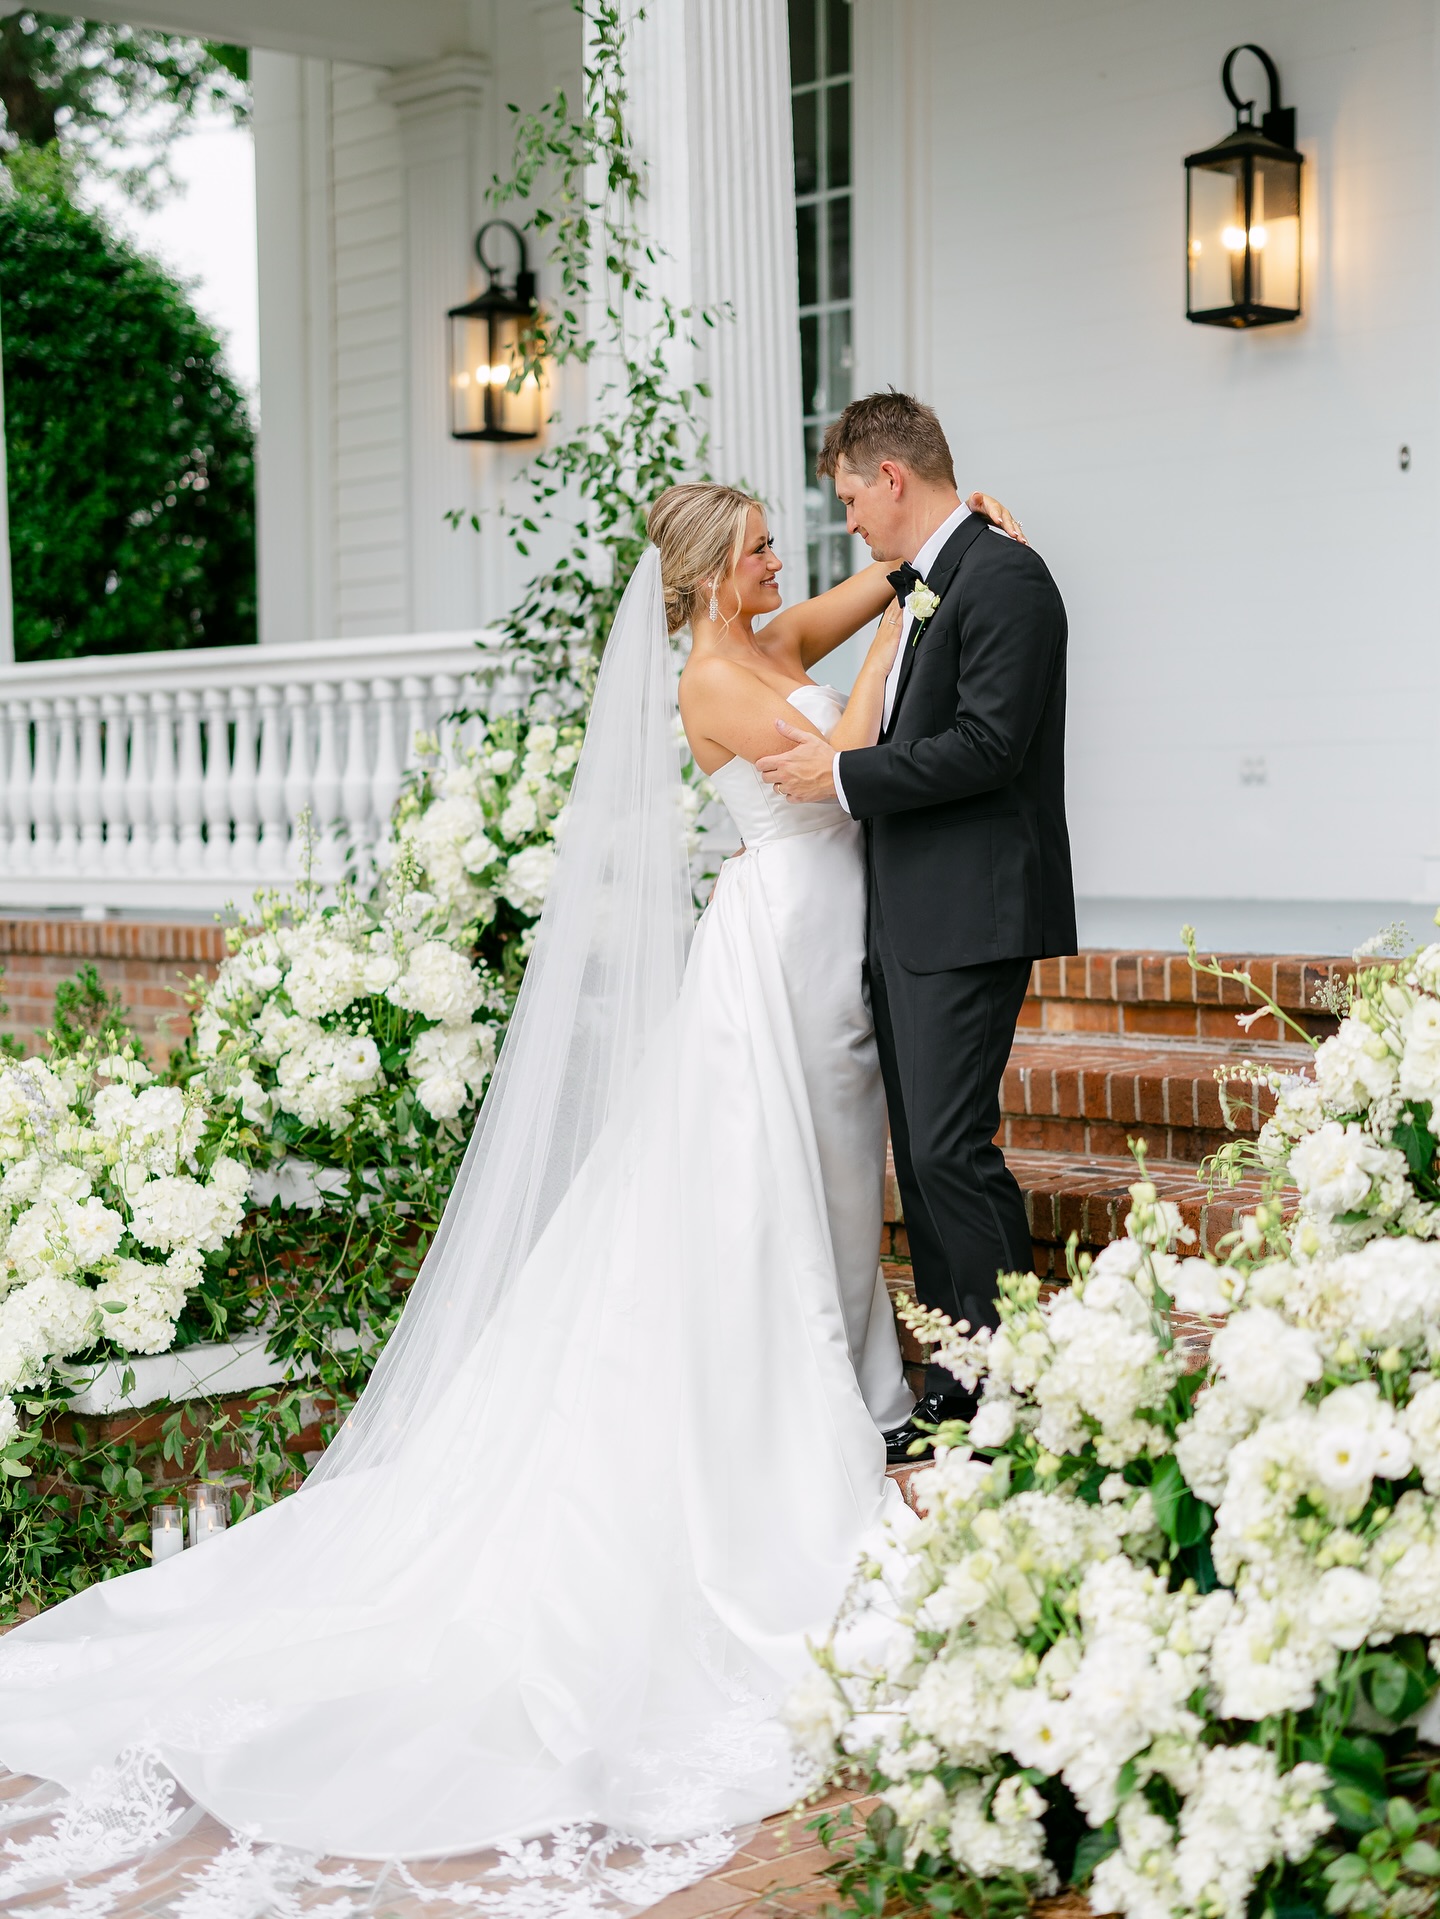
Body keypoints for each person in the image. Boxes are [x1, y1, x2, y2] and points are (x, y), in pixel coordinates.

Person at [0, 478, 1024, 1915]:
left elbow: (858, 602)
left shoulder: (764, 631)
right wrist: (919, 615)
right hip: (778, 954)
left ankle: (855, 1383)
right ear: (713, 578)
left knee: (834, 1191)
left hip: (824, 958)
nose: (788, 560)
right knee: (763, 1202)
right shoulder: (724, 679)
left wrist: (925, 553)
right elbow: (848, 750)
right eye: (763, 551)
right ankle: (791, 1429)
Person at [758, 392, 1077, 1463]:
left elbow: (989, 746)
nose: (846, 517)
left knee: (951, 1149)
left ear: (891, 478)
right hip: (907, 913)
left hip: (970, 911)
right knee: (926, 1154)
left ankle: (1005, 1379)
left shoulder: (1008, 578)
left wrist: (840, 773)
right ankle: (955, 1365)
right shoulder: (938, 577)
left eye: (849, 495)